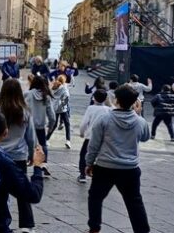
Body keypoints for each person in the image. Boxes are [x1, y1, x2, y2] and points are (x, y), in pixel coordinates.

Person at [85, 85, 150, 233]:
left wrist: (89, 163)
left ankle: (94, 227)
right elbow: (145, 137)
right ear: (134, 102)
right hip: (130, 168)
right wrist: (138, 114)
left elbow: (94, 144)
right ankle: (142, 230)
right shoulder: (140, 121)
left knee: (95, 197)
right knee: (134, 201)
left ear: (116, 99)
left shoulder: (105, 118)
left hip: (105, 166)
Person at [0, 78, 37, 232]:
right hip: (19, 156)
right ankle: (27, 225)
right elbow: (31, 137)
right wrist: (32, 155)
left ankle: (1, 221)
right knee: (22, 190)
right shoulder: (25, 112)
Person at [25, 76, 55, 176]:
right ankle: (44, 163)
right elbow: (52, 116)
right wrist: (51, 127)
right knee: (43, 144)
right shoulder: (46, 96)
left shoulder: (27, 94)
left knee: (27, 143)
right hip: (41, 126)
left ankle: (26, 159)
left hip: (28, 124)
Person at [78, 89, 110, 183]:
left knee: (83, 154)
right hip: (104, 137)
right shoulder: (108, 109)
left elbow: (84, 123)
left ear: (94, 98)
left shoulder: (91, 108)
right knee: (102, 156)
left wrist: (82, 132)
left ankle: (82, 175)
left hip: (90, 136)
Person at [47, 75, 71, 149]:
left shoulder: (54, 86)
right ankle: (68, 140)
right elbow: (67, 97)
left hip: (55, 108)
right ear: (64, 81)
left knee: (54, 125)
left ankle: (46, 139)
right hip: (62, 108)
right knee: (67, 124)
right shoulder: (64, 88)